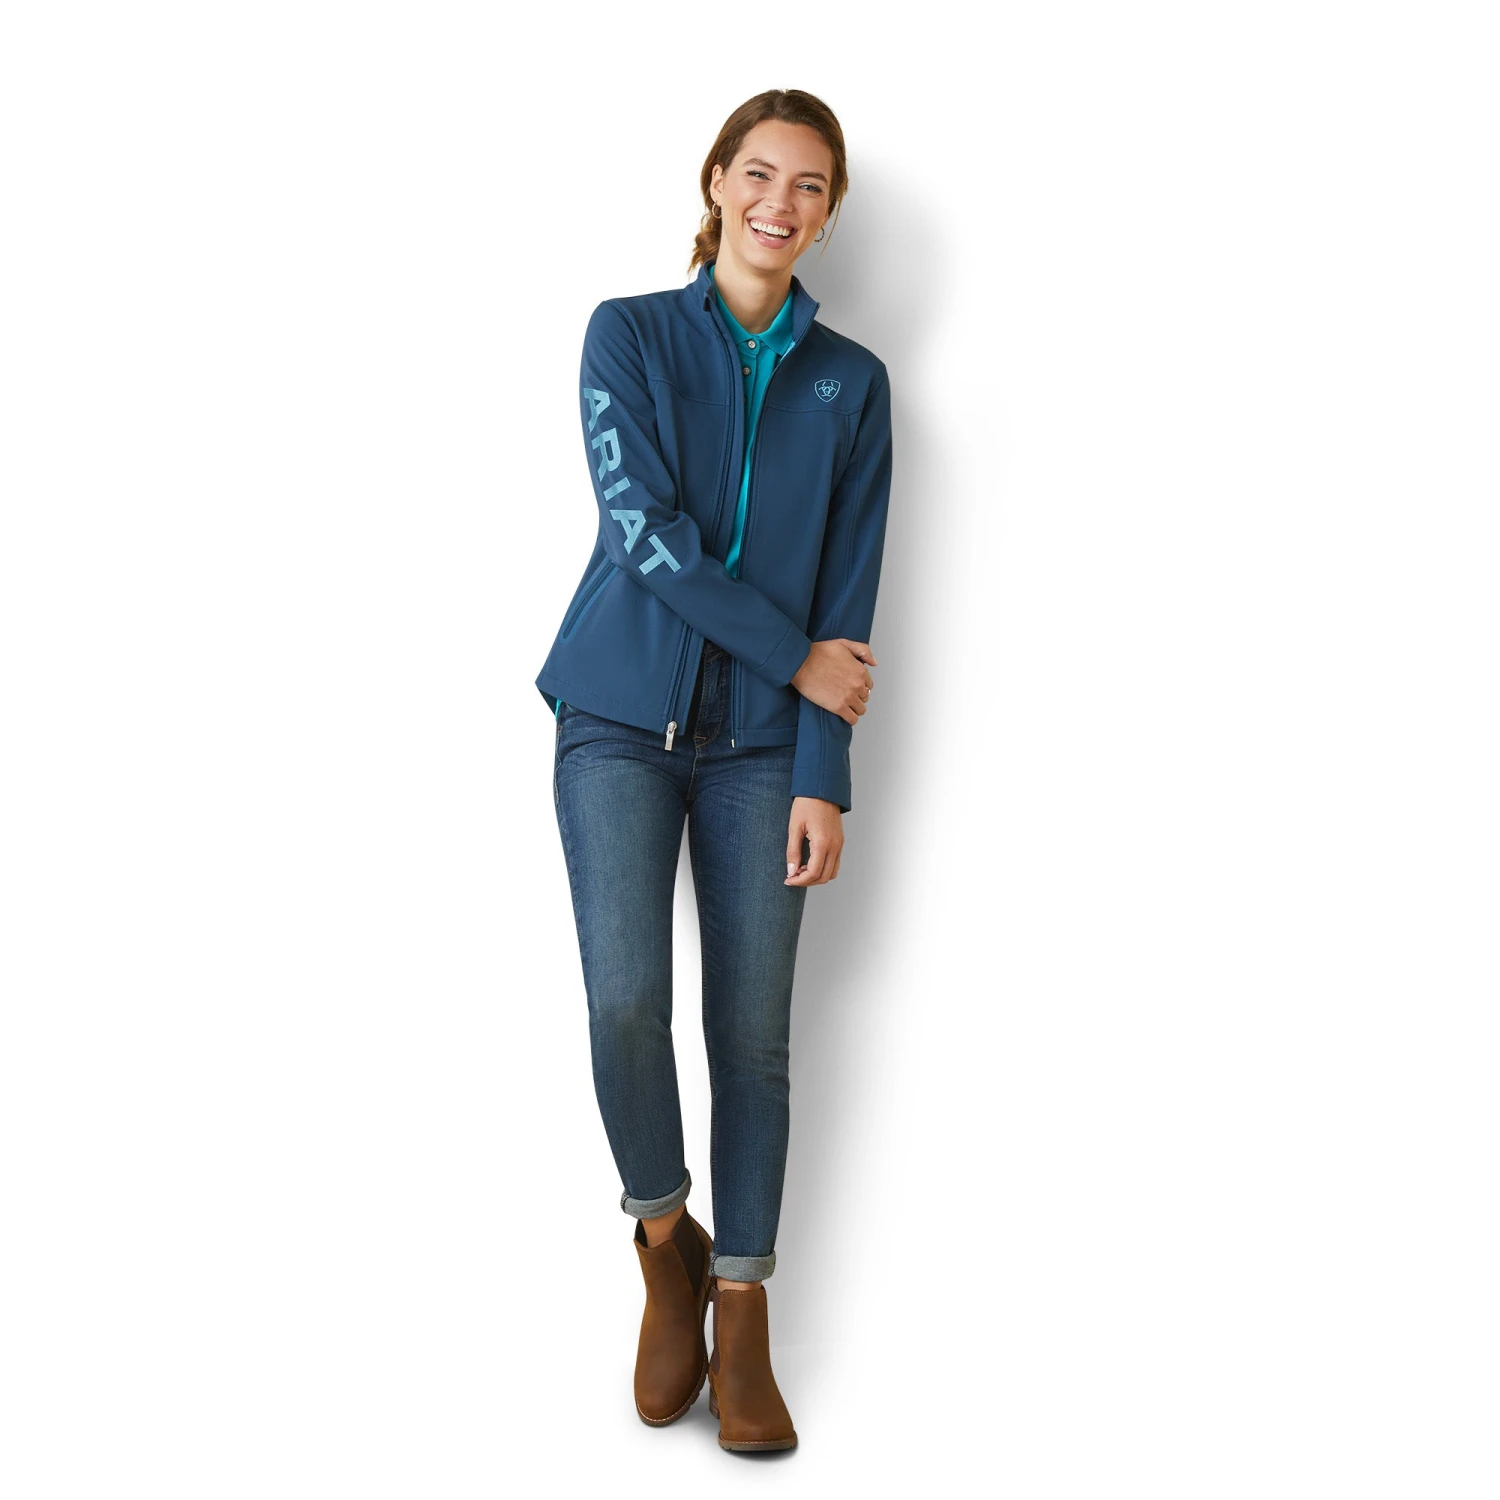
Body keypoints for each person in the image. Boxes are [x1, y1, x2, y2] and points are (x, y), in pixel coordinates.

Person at [535, 88, 894, 1453]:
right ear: (715, 181)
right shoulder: (628, 335)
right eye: (759, 173)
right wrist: (797, 657)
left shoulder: (850, 383)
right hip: (617, 719)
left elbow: (849, 606)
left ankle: (741, 1306)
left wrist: (823, 767)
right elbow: (645, 534)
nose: (778, 203)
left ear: (828, 213)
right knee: (626, 1003)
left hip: (761, 753)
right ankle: (664, 1239)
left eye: (809, 186)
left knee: (753, 1035)